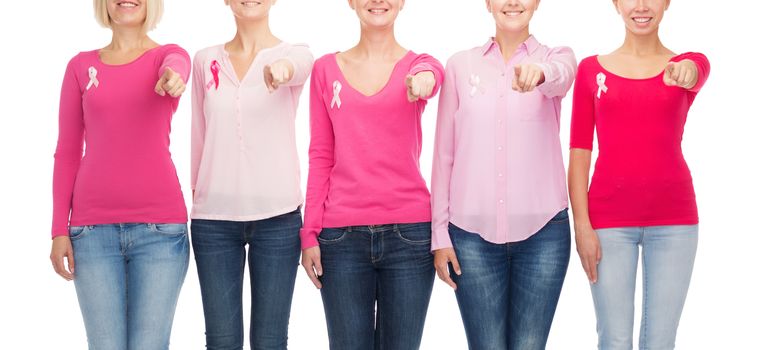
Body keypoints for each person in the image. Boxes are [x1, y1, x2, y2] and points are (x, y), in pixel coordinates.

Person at [431, 1, 576, 349]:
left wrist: (539, 73)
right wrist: (439, 235)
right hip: (470, 237)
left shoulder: (557, 56)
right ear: (488, 3)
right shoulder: (459, 65)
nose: (513, 2)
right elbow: (443, 154)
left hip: (543, 235)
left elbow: (561, 75)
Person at [300, 0, 444, 348]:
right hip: (340, 239)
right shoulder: (325, 69)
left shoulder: (418, 67)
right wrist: (309, 233)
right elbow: (320, 155)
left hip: (409, 238)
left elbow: (433, 72)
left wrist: (425, 79)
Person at [49, 0, 191, 348]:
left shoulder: (167, 58)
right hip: (91, 234)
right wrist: (58, 230)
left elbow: (178, 66)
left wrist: (173, 79)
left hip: (160, 232)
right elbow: (67, 152)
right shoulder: (80, 67)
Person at [568, 0, 710, 348]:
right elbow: (579, 155)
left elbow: (698, 69)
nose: (641, 6)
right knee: (614, 340)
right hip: (608, 224)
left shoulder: (683, 67)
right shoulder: (591, 70)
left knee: (660, 341)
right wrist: (582, 226)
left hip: (675, 223)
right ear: (616, 4)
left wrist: (688, 70)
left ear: (666, 3)